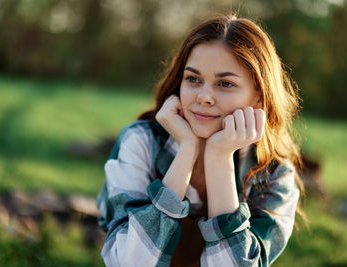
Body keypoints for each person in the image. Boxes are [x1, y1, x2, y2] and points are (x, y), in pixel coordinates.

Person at [96, 14, 304, 267]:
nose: (204, 96)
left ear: (258, 98)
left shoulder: (273, 175)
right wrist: (187, 150)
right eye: (193, 79)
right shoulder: (142, 142)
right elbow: (128, 263)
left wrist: (219, 158)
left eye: (225, 83)